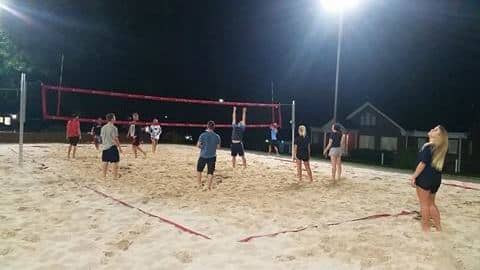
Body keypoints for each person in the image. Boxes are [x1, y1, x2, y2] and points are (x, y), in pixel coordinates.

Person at [410, 125, 448, 232]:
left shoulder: (428, 147)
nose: (431, 129)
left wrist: (413, 177)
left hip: (425, 178)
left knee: (424, 204)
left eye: (435, 130)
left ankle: (425, 229)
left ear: (439, 136)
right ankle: (439, 228)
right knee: (431, 203)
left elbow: (422, 164)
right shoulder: (440, 148)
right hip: (436, 180)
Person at [196, 120, 221, 190]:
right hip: (212, 156)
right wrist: (212, 146)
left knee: (199, 170)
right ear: (214, 127)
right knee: (210, 172)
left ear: (207, 126)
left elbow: (198, 145)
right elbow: (218, 147)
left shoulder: (203, 135)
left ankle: (199, 185)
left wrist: (203, 147)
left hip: (203, 155)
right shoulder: (217, 136)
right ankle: (208, 186)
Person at [101, 113, 122, 179]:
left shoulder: (103, 127)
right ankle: (115, 176)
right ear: (112, 119)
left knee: (105, 161)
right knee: (115, 162)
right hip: (112, 146)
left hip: (105, 147)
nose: (115, 118)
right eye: (114, 117)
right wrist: (119, 147)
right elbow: (115, 139)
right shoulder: (114, 128)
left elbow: (102, 137)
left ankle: (104, 176)